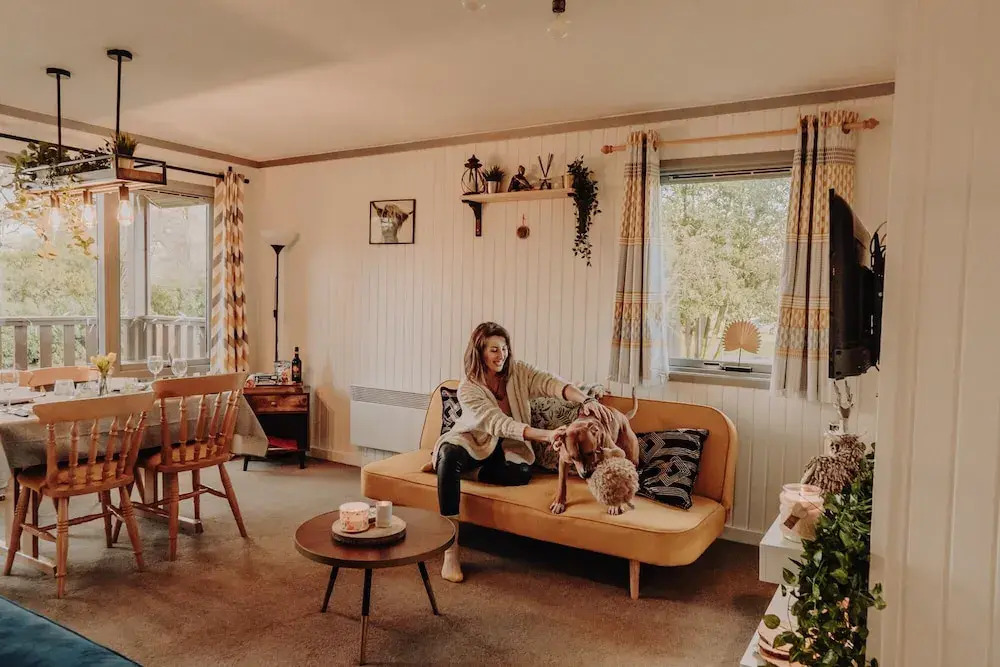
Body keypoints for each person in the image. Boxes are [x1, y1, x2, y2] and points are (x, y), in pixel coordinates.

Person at [431, 321, 606, 582]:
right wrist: (547, 435)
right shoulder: (468, 388)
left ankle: (467, 473)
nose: (501, 355)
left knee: (522, 473)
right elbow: (499, 424)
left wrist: (586, 399)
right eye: (493, 350)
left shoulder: (518, 372)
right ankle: (451, 550)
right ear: (479, 352)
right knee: (449, 456)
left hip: (505, 447)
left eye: (504, 348)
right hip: (472, 442)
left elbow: (551, 383)